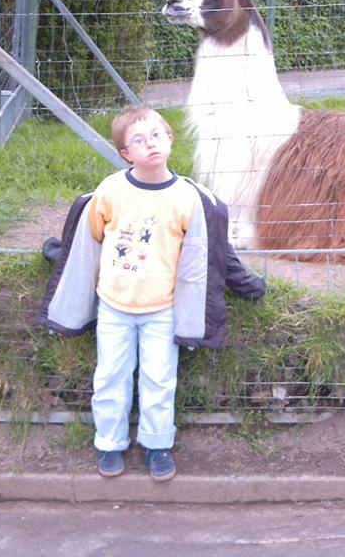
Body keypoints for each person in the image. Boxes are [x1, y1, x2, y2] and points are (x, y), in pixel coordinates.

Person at [77, 105, 264, 481]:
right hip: (114, 305)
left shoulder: (187, 198)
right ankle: (109, 443)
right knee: (110, 376)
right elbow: (92, 235)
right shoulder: (111, 190)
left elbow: (209, 251)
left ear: (170, 139)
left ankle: (156, 444)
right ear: (125, 153)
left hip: (162, 307)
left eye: (156, 136)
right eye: (139, 141)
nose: (150, 144)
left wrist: (246, 282)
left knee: (159, 379)